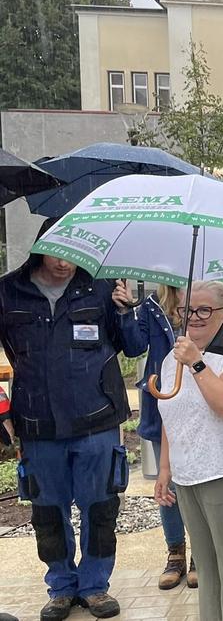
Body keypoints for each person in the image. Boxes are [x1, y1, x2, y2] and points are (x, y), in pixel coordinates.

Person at [0, 252, 137, 621]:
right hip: (37, 423)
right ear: (39, 250)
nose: (64, 264)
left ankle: (94, 586)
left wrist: (125, 312)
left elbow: (135, 346)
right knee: (47, 512)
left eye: (72, 257)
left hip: (97, 420)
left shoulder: (103, 287)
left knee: (101, 507)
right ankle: (60, 587)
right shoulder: (8, 291)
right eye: (56, 256)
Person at [153, 281, 223, 621]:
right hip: (187, 475)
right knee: (205, 564)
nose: (193, 318)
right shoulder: (174, 356)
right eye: (186, 310)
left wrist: (197, 364)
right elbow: (172, 413)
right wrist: (165, 470)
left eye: (204, 310)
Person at [113, 282, 198, 590]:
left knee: (197, 481)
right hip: (162, 401)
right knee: (167, 483)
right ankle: (175, 552)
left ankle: (199, 554)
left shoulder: (204, 300)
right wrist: (125, 310)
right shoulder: (152, 304)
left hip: (201, 400)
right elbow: (135, 347)